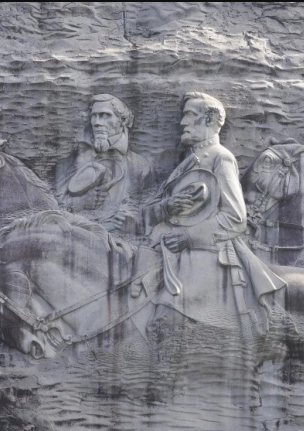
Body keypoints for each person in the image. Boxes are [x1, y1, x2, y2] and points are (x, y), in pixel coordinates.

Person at [138, 92, 286, 336]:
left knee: (165, 321)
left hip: (204, 251)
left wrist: (189, 237)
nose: (182, 123)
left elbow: (235, 218)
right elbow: (157, 209)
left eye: (189, 115)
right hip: (166, 247)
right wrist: (168, 207)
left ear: (210, 120)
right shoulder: (188, 162)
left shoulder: (221, 158)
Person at [55, 94, 155, 232]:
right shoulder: (76, 159)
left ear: (122, 120)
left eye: (105, 115)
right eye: (94, 116)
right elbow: (55, 203)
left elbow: (149, 212)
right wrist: (82, 202)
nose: (97, 122)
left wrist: (133, 224)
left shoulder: (141, 167)